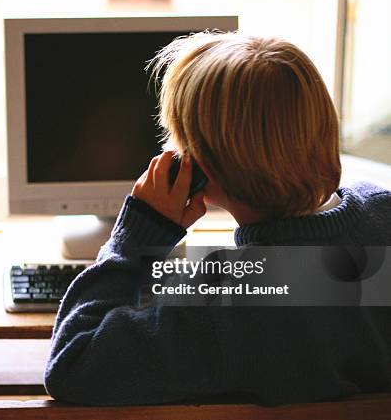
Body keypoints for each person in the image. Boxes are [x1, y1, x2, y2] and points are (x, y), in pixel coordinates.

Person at [43, 33, 391, 406]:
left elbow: (73, 364)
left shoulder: (227, 295)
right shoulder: (382, 213)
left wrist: (140, 232)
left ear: (200, 165)